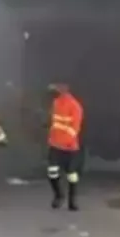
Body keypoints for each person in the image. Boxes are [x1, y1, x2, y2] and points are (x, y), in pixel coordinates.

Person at [46, 83, 84, 211]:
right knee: (52, 171)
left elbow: (75, 128)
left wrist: (65, 141)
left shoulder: (75, 106)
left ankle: (72, 201)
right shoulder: (56, 103)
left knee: (72, 175)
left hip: (69, 147)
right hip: (55, 144)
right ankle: (58, 195)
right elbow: (53, 122)